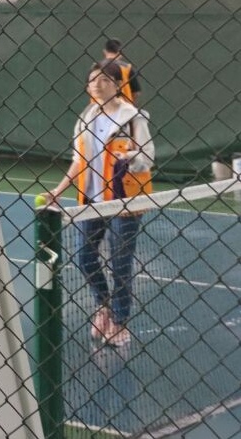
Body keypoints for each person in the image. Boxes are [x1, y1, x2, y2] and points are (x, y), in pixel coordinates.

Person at [47, 59, 155, 347]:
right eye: (93, 80)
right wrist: (58, 190)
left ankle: (119, 322)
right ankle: (104, 305)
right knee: (84, 257)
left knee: (120, 264)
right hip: (91, 200)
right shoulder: (85, 118)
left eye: (105, 80)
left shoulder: (132, 118)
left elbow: (148, 157)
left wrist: (129, 157)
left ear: (117, 85)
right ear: (87, 87)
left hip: (123, 202)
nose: (97, 84)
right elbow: (78, 161)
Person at [95, 37, 141, 103]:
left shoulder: (96, 67)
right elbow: (136, 92)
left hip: (98, 106)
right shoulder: (127, 67)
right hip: (123, 106)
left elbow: (89, 89)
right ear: (121, 53)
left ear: (104, 51)